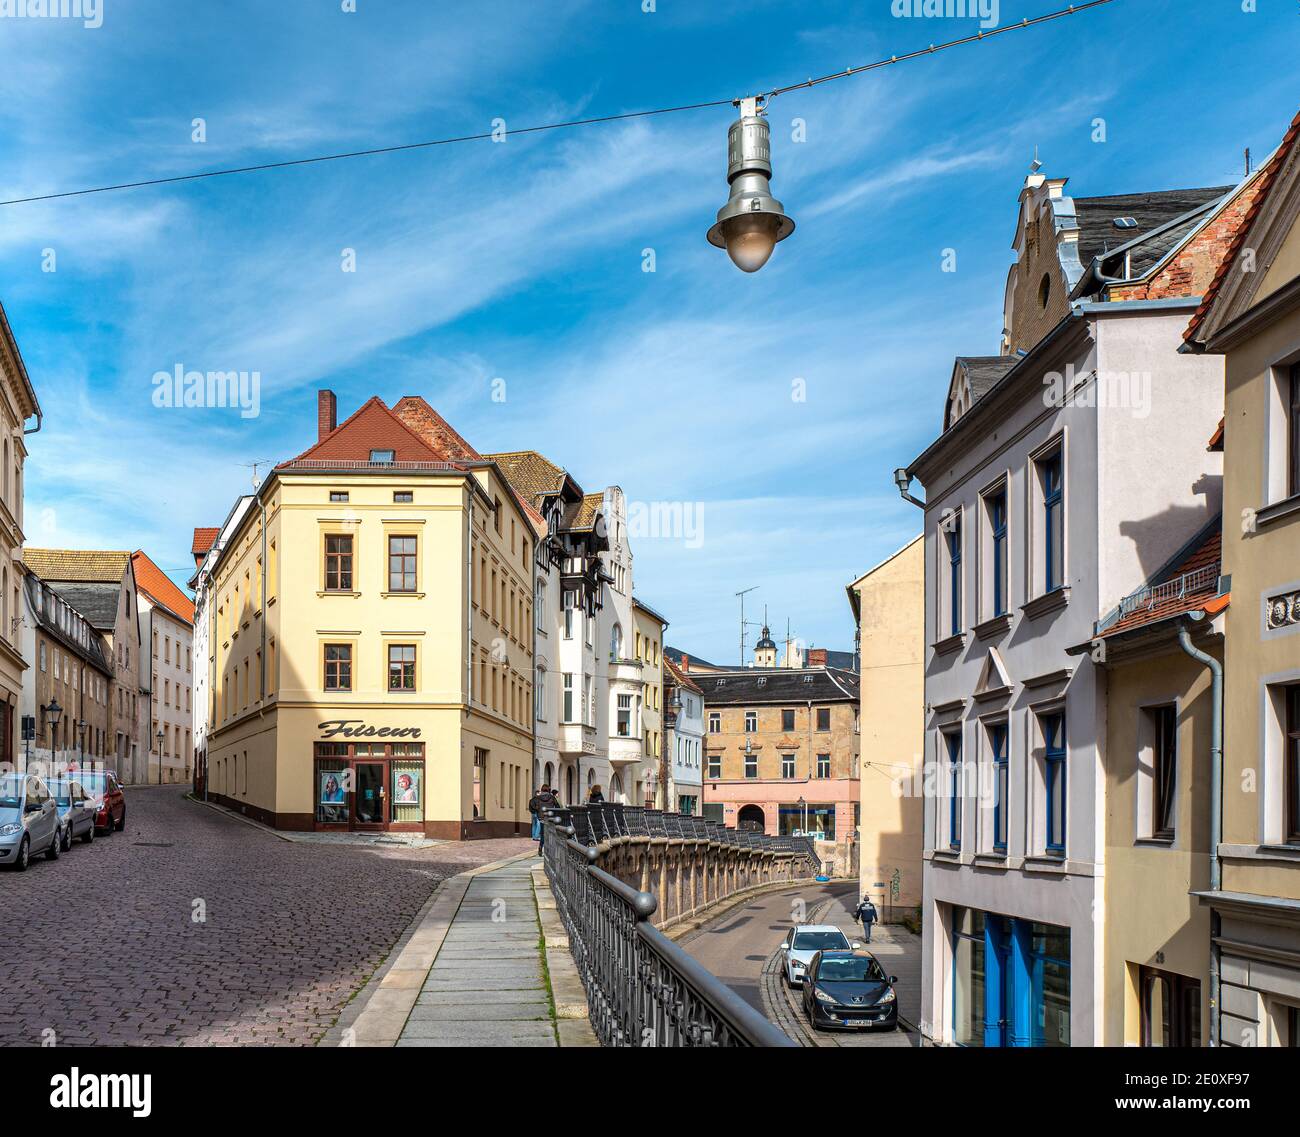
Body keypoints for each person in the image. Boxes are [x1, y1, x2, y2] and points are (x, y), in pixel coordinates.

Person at [528, 783, 561, 854]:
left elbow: (531, 803)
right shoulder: (552, 797)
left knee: (543, 834)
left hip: (541, 818)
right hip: (550, 818)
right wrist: (555, 813)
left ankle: (541, 847)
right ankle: (549, 851)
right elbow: (558, 806)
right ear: (549, 790)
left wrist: (536, 810)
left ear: (542, 790)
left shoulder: (537, 798)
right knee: (551, 834)